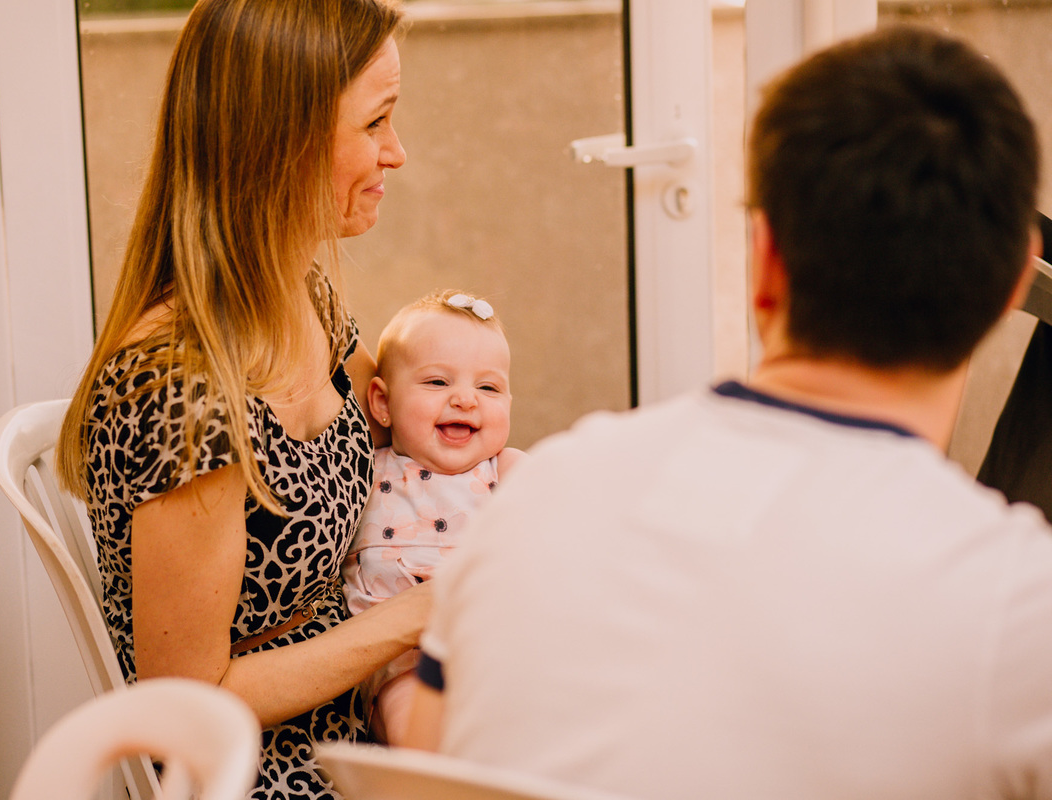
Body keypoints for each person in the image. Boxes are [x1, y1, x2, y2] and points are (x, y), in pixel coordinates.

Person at [405, 24, 1052, 800]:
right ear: (1014, 285)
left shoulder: (532, 494)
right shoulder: (1017, 606)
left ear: (764, 255)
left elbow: (424, 771)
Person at [55, 1, 430, 797]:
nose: (397, 152)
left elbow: (408, 424)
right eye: (375, 124)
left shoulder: (301, 294)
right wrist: (418, 615)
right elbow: (185, 704)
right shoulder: (180, 390)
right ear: (280, 144)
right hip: (257, 769)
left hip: (357, 713)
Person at [341, 290, 524, 743]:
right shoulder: (365, 470)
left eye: (488, 387)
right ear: (382, 402)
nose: (465, 399)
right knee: (413, 736)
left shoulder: (508, 472)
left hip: (499, 652)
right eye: (437, 382)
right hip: (400, 662)